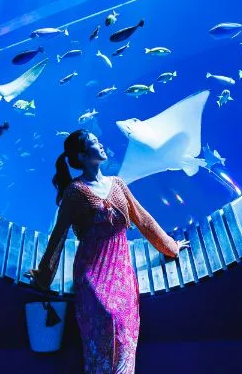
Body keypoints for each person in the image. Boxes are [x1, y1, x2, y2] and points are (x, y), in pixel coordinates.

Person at [26, 129, 189, 373]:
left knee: (122, 325)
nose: (101, 144)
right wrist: (43, 276)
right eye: (94, 142)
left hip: (121, 270)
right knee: (106, 314)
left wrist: (171, 247)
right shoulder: (75, 192)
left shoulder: (117, 184)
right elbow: (58, 235)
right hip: (92, 271)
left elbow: (143, 219)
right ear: (82, 156)